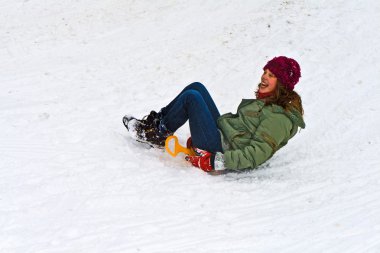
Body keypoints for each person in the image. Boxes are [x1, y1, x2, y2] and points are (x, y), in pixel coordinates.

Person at [123, 56, 305, 174]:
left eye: (271, 75)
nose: (264, 77)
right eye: (265, 72)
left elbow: (256, 155)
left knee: (192, 98)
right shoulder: (270, 102)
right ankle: (158, 125)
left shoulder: (279, 118)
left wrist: (217, 161)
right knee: (196, 87)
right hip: (222, 135)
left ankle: (158, 133)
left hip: (221, 148)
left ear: (282, 83)